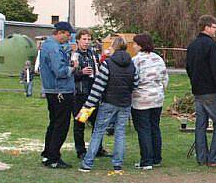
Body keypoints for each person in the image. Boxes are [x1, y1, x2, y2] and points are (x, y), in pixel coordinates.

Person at [78, 36, 139, 174]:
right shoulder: (131, 64)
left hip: (108, 102)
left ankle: (87, 163)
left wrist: (87, 107)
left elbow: (98, 88)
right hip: (125, 103)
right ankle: (117, 164)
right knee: (120, 133)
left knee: (98, 132)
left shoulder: (108, 64)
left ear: (114, 47)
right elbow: (135, 84)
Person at [186, 15, 216, 166]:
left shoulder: (192, 46)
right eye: (214, 26)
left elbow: (188, 68)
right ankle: (215, 158)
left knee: (200, 125)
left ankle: (201, 157)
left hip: (198, 91)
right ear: (207, 27)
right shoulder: (212, 46)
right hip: (211, 91)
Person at [39, 21, 77, 169]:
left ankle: (47, 154)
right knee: (61, 125)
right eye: (67, 35)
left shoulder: (48, 45)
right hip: (61, 91)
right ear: (60, 32)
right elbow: (60, 71)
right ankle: (54, 158)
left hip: (52, 90)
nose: (68, 38)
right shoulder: (54, 48)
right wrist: (73, 68)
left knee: (54, 123)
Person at [130, 34, 169, 169]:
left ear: (140, 45)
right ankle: (156, 158)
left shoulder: (136, 60)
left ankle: (146, 160)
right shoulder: (158, 58)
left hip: (141, 99)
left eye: (135, 44)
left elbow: (133, 79)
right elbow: (165, 78)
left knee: (143, 129)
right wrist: (160, 91)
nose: (133, 46)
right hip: (157, 98)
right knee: (154, 127)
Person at [72, 29, 103, 159]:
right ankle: (81, 150)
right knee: (80, 123)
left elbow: (99, 70)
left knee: (97, 123)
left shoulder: (93, 54)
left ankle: (98, 148)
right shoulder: (74, 55)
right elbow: (69, 74)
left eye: (89, 39)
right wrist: (81, 72)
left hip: (94, 94)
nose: (86, 42)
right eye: (84, 39)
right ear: (78, 40)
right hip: (80, 94)